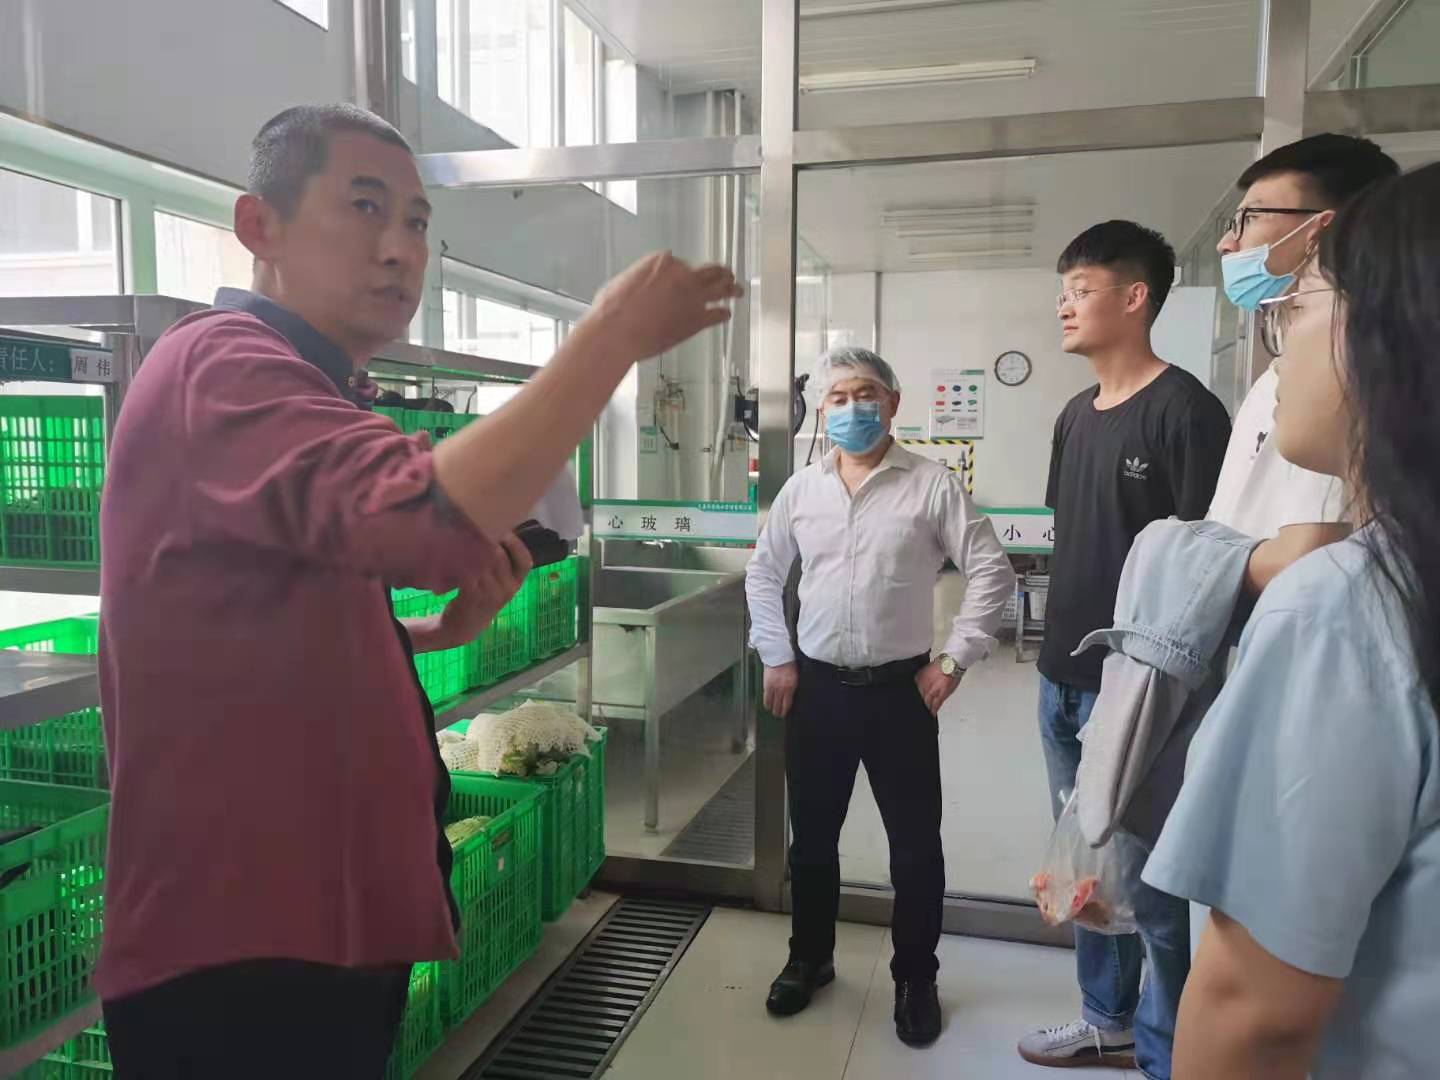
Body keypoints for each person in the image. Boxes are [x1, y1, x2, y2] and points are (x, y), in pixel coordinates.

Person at [95, 104, 739, 1079]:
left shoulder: (313, 389)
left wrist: (435, 632)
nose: (400, 248)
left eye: (417, 221)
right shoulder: (220, 366)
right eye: (364, 207)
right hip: (240, 951)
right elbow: (423, 518)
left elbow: (272, 614)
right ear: (259, 226)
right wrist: (608, 337)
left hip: (319, 928)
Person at [1144, 162, 1440, 1080]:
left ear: (1388, 333)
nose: (1280, 353)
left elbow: (1252, 1011)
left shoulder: (1352, 605)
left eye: (1297, 310)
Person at [745, 346, 1014, 1047]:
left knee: (916, 848)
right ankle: (810, 958)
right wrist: (777, 655)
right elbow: (764, 573)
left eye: (865, 393)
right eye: (837, 397)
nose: (851, 407)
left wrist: (954, 660)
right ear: (821, 409)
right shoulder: (801, 491)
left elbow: (992, 570)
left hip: (900, 695)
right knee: (812, 840)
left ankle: (915, 978)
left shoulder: (931, 485)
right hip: (817, 692)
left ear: (893, 403)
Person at [1020, 221, 1231, 1075]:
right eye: (1062, 291)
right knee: (1087, 869)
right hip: (1060, 678)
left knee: (1152, 880)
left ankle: (1169, 1051)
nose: (1064, 306)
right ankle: (1105, 1018)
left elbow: (1211, 562)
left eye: (1082, 289)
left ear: (1135, 297)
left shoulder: (1187, 412)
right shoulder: (1074, 416)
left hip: (1141, 693)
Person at [1208, 134, 1398, 584]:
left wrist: (1185, 566)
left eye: (1250, 218)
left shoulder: (1339, 379)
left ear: (1322, 231)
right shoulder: (1275, 379)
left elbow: (1307, 556)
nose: (1226, 244)